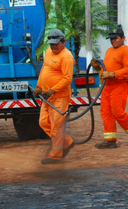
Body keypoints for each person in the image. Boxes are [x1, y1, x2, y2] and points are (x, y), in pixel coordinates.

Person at [90, 28, 128, 149]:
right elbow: (106, 68)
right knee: (106, 113)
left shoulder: (127, 51)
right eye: (112, 39)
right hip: (107, 86)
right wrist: (97, 67)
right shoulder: (109, 51)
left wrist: (113, 74)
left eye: (116, 38)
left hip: (119, 86)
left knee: (117, 112)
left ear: (123, 38)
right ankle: (110, 140)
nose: (113, 41)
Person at [34, 29, 75, 164]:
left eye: (56, 44)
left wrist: (53, 90)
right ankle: (67, 141)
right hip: (47, 95)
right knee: (43, 122)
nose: (53, 46)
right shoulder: (48, 52)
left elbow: (67, 79)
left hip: (60, 97)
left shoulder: (66, 57)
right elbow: (44, 70)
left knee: (56, 127)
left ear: (63, 42)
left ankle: (56, 155)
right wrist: (39, 86)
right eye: (51, 44)